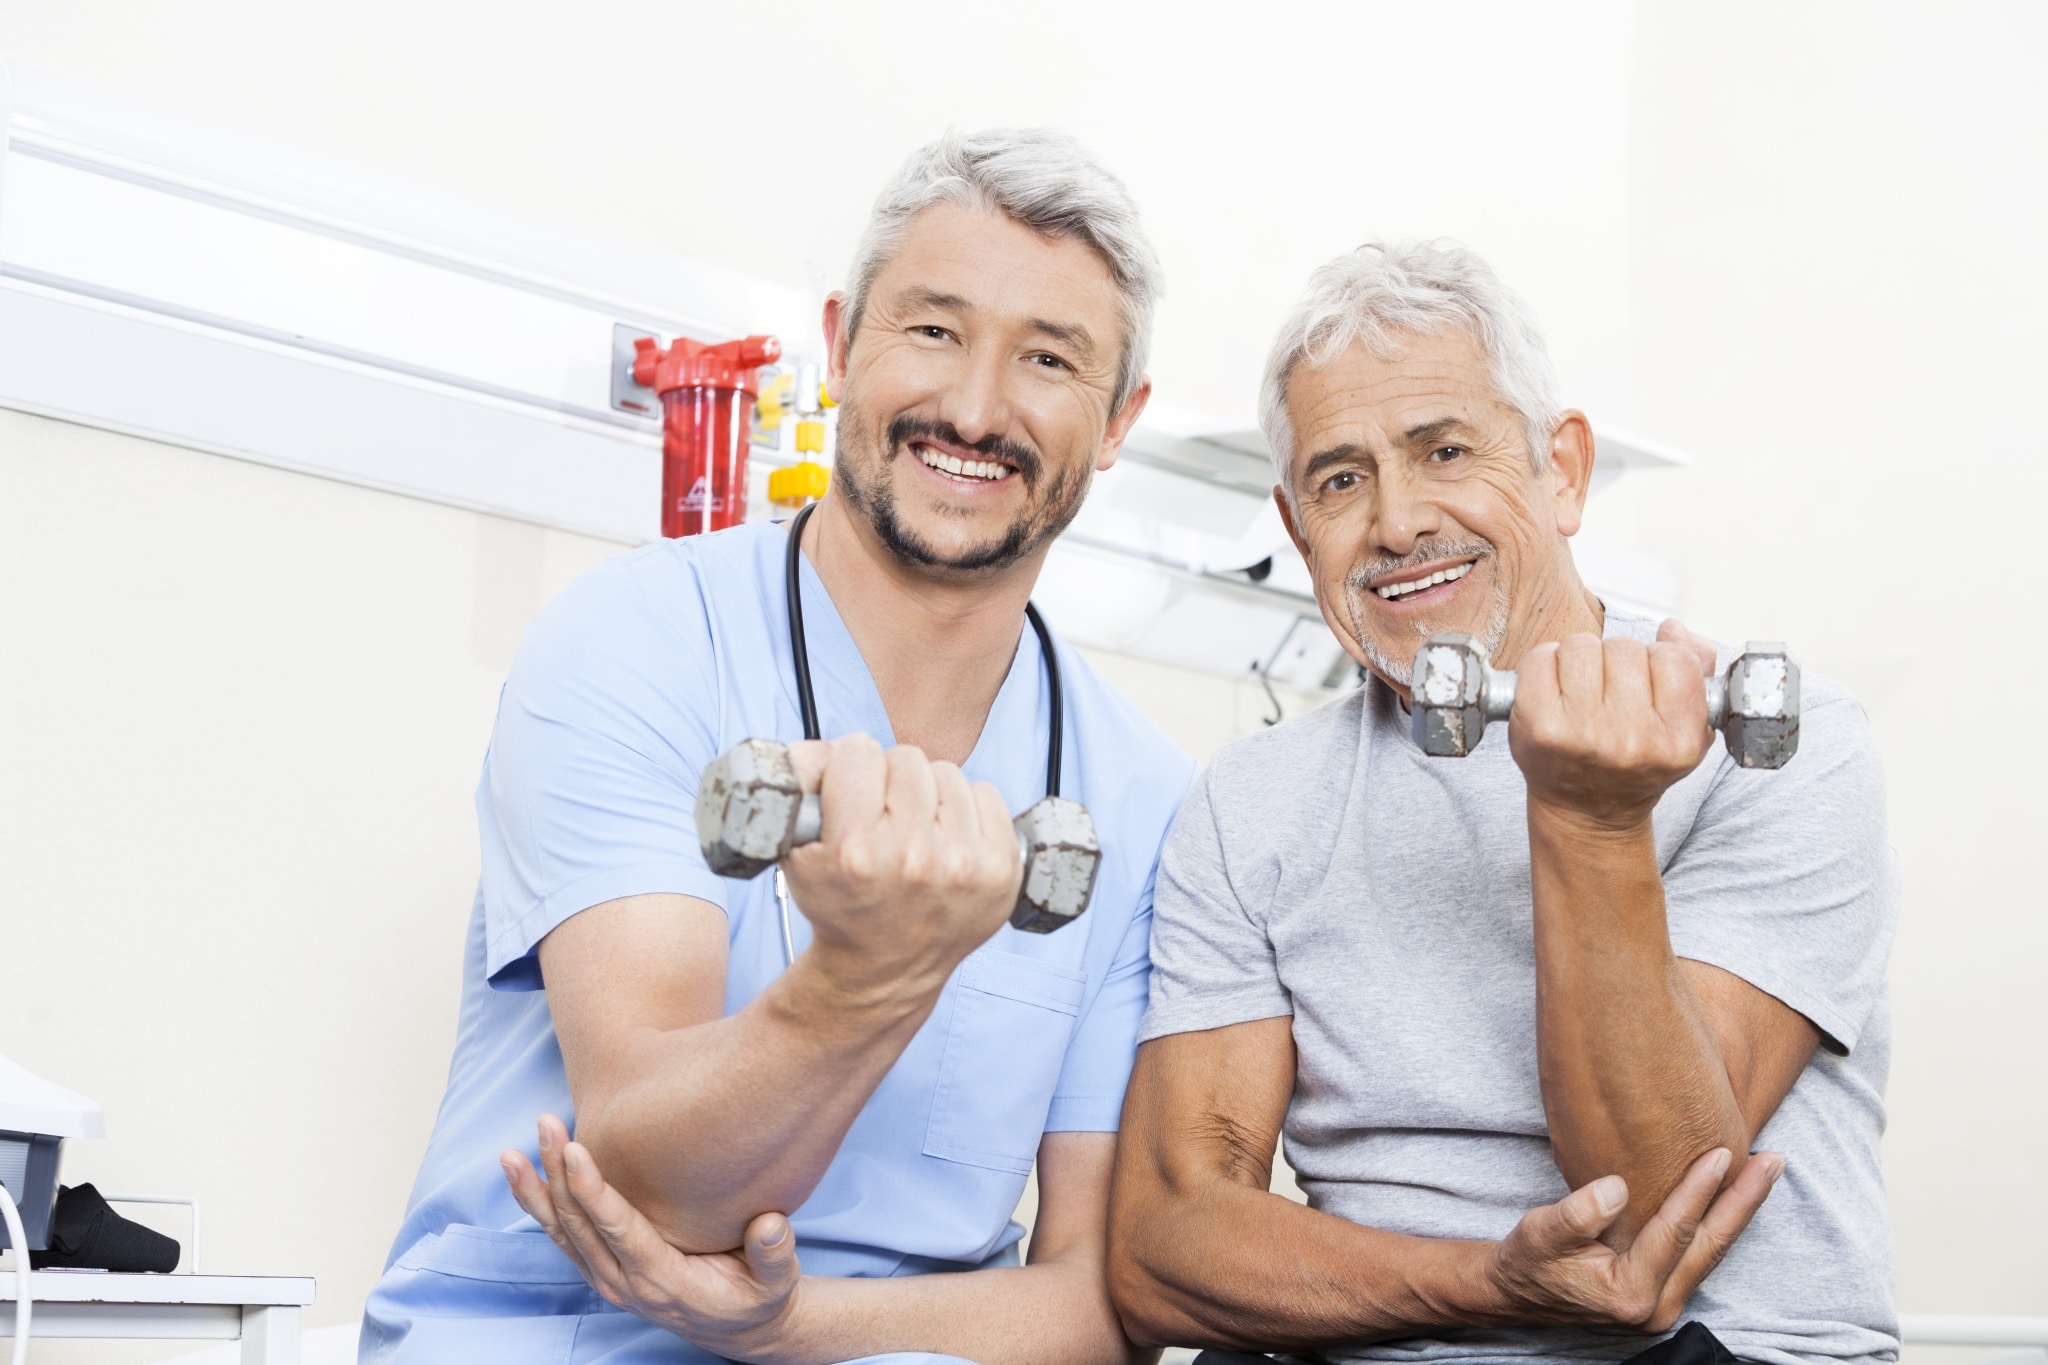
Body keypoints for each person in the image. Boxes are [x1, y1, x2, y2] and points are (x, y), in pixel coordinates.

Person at [359, 128, 1198, 1365]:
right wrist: (869, 975)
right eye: (931, 330)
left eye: (1048, 360)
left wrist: (793, 1326)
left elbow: (1097, 1306)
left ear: (1120, 419)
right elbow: (660, 1191)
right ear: (841, 339)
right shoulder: (634, 643)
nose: (972, 405)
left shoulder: (1141, 797)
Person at [1107, 241, 1897, 1365]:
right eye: (1340, 480)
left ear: (1561, 472)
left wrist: (1589, 821)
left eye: (1443, 450)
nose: (1395, 522)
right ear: (1296, 531)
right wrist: (1479, 1284)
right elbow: (1160, 1256)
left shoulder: (1783, 748)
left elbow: (1655, 1206)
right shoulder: (1249, 804)